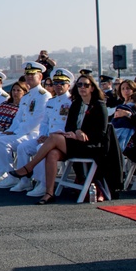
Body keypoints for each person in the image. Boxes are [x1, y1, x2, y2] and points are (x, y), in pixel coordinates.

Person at [10, 73, 109, 204]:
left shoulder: (98, 106)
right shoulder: (76, 104)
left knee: (54, 137)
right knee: (52, 154)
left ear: (92, 88)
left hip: (91, 145)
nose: (82, 87)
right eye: (79, 85)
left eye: (86, 85)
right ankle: (49, 193)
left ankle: (29, 167)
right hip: (75, 143)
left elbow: (101, 133)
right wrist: (76, 132)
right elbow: (70, 126)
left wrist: (82, 135)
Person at [0, 62, 49, 189]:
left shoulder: (44, 95)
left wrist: (17, 132)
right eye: (27, 74)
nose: (29, 77)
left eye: (33, 74)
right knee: (0, 140)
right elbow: (18, 118)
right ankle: (6, 174)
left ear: (40, 77)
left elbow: (36, 120)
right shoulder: (26, 97)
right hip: (22, 132)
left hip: (33, 133)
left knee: (15, 145)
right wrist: (10, 130)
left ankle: (22, 179)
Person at [15, 68, 74, 196]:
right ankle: (25, 181)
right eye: (55, 83)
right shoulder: (51, 102)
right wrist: (43, 135)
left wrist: (49, 138)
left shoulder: (72, 102)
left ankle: (43, 184)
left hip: (61, 140)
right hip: (47, 137)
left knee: (42, 148)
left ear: (68, 85)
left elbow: (70, 125)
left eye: (62, 83)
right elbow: (45, 122)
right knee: (23, 147)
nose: (58, 86)